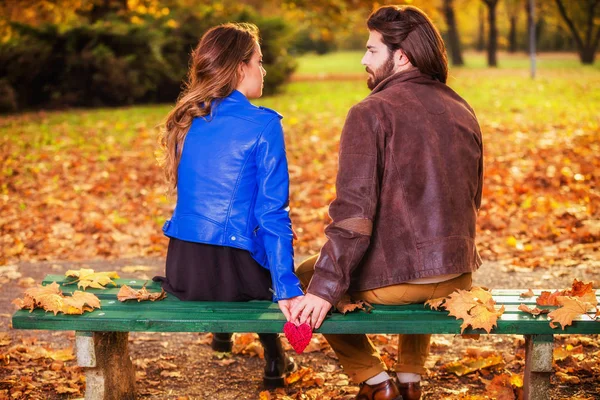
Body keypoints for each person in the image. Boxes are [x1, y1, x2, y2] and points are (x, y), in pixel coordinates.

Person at [290, 5, 484, 400]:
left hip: (399, 284)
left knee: (306, 275)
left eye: (372, 50)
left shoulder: (370, 112)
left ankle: (376, 382)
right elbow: (471, 199)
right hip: (457, 277)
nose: (363, 60)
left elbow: (353, 218)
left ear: (402, 56)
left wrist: (322, 290)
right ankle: (409, 379)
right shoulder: (462, 108)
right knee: (419, 259)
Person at [153, 22, 303, 389]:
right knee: (256, 264)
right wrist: (287, 286)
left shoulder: (187, 119)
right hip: (235, 274)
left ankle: (223, 335)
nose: (263, 70)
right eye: (259, 61)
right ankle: (274, 357)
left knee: (237, 248)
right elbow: (272, 214)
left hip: (186, 269)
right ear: (240, 67)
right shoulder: (263, 124)